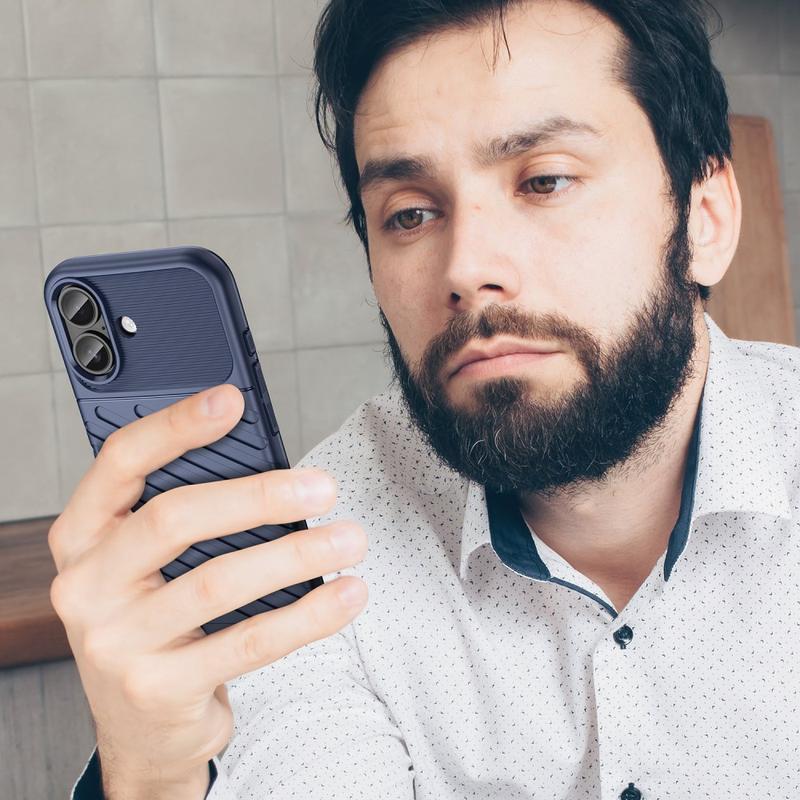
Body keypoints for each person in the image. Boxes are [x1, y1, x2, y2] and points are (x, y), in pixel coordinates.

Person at [62, 0, 800, 798]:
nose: (466, 267)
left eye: (545, 180)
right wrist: (152, 775)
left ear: (705, 220)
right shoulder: (313, 558)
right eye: (410, 214)